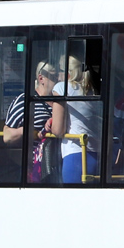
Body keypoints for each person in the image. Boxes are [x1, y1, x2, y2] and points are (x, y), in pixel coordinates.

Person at [49, 54, 102, 184]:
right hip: (97, 156)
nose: (57, 77)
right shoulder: (91, 90)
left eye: (59, 72)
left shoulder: (62, 88)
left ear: (67, 74)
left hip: (75, 157)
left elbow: (58, 130)